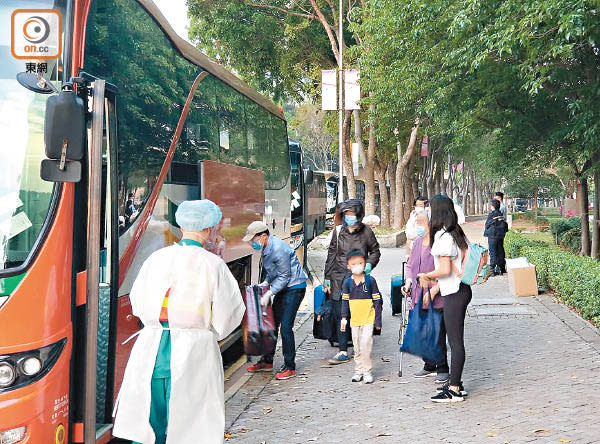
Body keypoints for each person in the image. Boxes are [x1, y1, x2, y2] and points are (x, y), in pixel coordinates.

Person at [113, 200, 246, 444]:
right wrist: (207, 332)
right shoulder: (212, 264)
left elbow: (137, 299)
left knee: (148, 423)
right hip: (194, 352)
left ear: (183, 226)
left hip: (150, 350)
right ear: (208, 229)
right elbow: (228, 316)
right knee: (190, 426)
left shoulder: (156, 258)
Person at [417, 195, 472, 403]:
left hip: (454, 293)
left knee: (455, 342)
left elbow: (445, 269)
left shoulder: (443, 237)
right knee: (456, 340)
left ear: (437, 212)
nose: (428, 213)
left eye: (430, 209)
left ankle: (454, 388)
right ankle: (457, 383)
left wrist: (427, 276)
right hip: (461, 290)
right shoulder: (456, 232)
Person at [243, 220, 308, 380]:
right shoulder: (267, 247)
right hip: (283, 287)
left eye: (254, 239)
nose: (253, 243)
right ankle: (267, 361)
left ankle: (290, 366)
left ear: (263, 236)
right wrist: (266, 282)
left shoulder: (278, 249)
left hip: (294, 288)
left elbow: (285, 276)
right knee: (272, 324)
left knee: (286, 327)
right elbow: (274, 270)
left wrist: (270, 292)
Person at [324, 199, 381, 365]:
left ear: (358, 215)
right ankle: (342, 350)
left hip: (358, 277)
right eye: (346, 214)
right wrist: (327, 278)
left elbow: (375, 251)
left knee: (359, 312)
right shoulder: (337, 231)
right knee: (339, 313)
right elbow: (331, 255)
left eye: (352, 214)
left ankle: (361, 345)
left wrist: (369, 264)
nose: (349, 217)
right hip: (337, 277)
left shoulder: (366, 232)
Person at [402, 212, 449, 383]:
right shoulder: (416, 244)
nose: (418, 226)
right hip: (417, 293)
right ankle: (429, 364)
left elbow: (445, 271)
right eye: (417, 222)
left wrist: (435, 290)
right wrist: (408, 283)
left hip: (435, 294)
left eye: (421, 222)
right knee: (422, 331)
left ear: (431, 223)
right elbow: (410, 266)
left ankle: (442, 367)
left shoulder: (438, 244)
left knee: (436, 331)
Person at [340, 250, 382, 384]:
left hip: (368, 319)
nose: (357, 265)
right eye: (354, 263)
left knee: (366, 344)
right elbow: (345, 301)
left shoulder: (370, 281)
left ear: (365, 264)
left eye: (360, 263)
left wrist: (377, 320)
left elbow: (377, 301)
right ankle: (358, 370)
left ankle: (367, 371)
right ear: (348, 266)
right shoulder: (347, 283)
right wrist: (344, 318)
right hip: (355, 320)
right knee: (357, 346)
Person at [484, 199, 507, 276]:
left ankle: (492, 270)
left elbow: (487, 225)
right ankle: (500, 268)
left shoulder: (492, 215)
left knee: (493, 252)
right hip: (500, 236)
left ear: (493, 206)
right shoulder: (501, 214)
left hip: (492, 236)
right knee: (500, 251)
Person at [494, 192, 507, 273]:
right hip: (501, 228)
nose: (494, 198)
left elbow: (497, 218)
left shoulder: (501, 207)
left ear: (499, 198)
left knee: (498, 248)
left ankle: (500, 267)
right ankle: (501, 267)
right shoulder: (502, 206)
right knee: (500, 247)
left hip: (499, 229)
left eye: (496, 197)